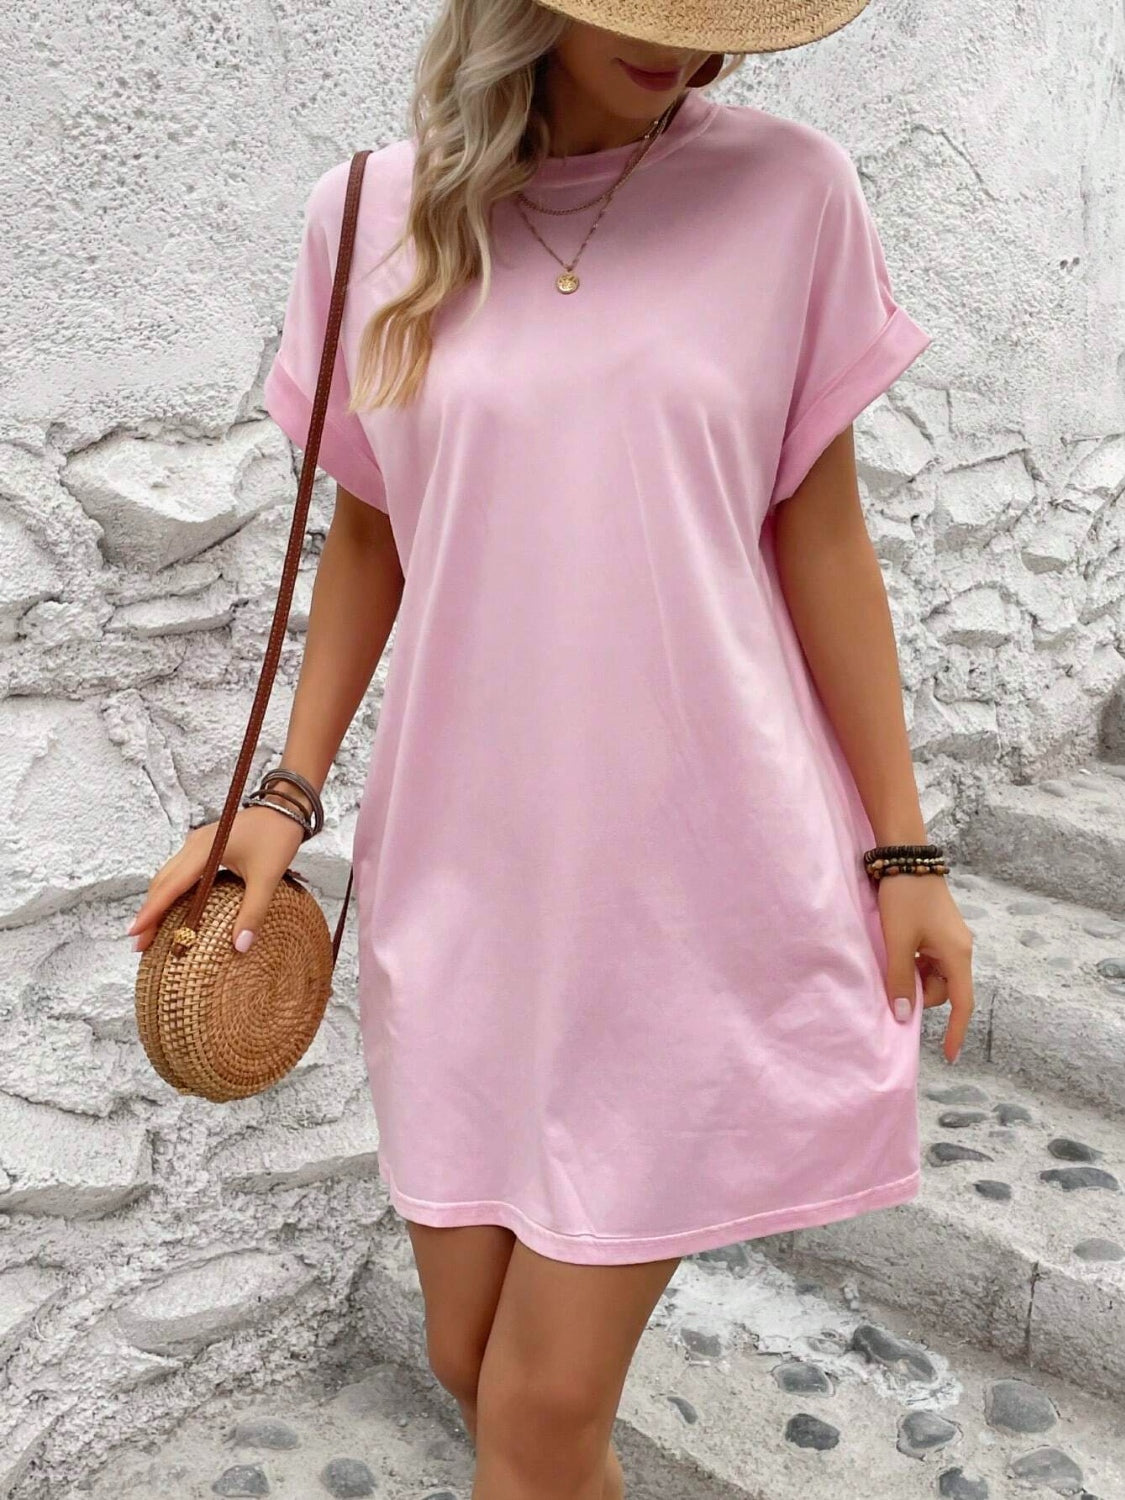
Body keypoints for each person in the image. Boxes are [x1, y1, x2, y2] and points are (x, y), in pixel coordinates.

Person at [127, 0, 976, 1494]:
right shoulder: (366, 215)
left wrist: (903, 852)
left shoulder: (793, 193)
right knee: (473, 1362)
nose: (686, 47)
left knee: (534, 1406)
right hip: (470, 879)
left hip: (691, 876)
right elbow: (372, 537)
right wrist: (285, 795)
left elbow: (824, 537)